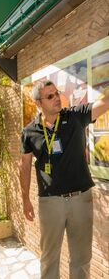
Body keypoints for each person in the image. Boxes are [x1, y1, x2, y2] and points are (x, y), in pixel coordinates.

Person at [20, 80, 109, 279]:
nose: (56, 98)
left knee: (81, 258)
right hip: (50, 202)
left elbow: (104, 104)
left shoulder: (76, 116)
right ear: (38, 103)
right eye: (49, 96)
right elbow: (24, 166)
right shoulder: (29, 132)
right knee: (50, 258)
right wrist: (25, 198)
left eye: (56, 93)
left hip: (81, 199)